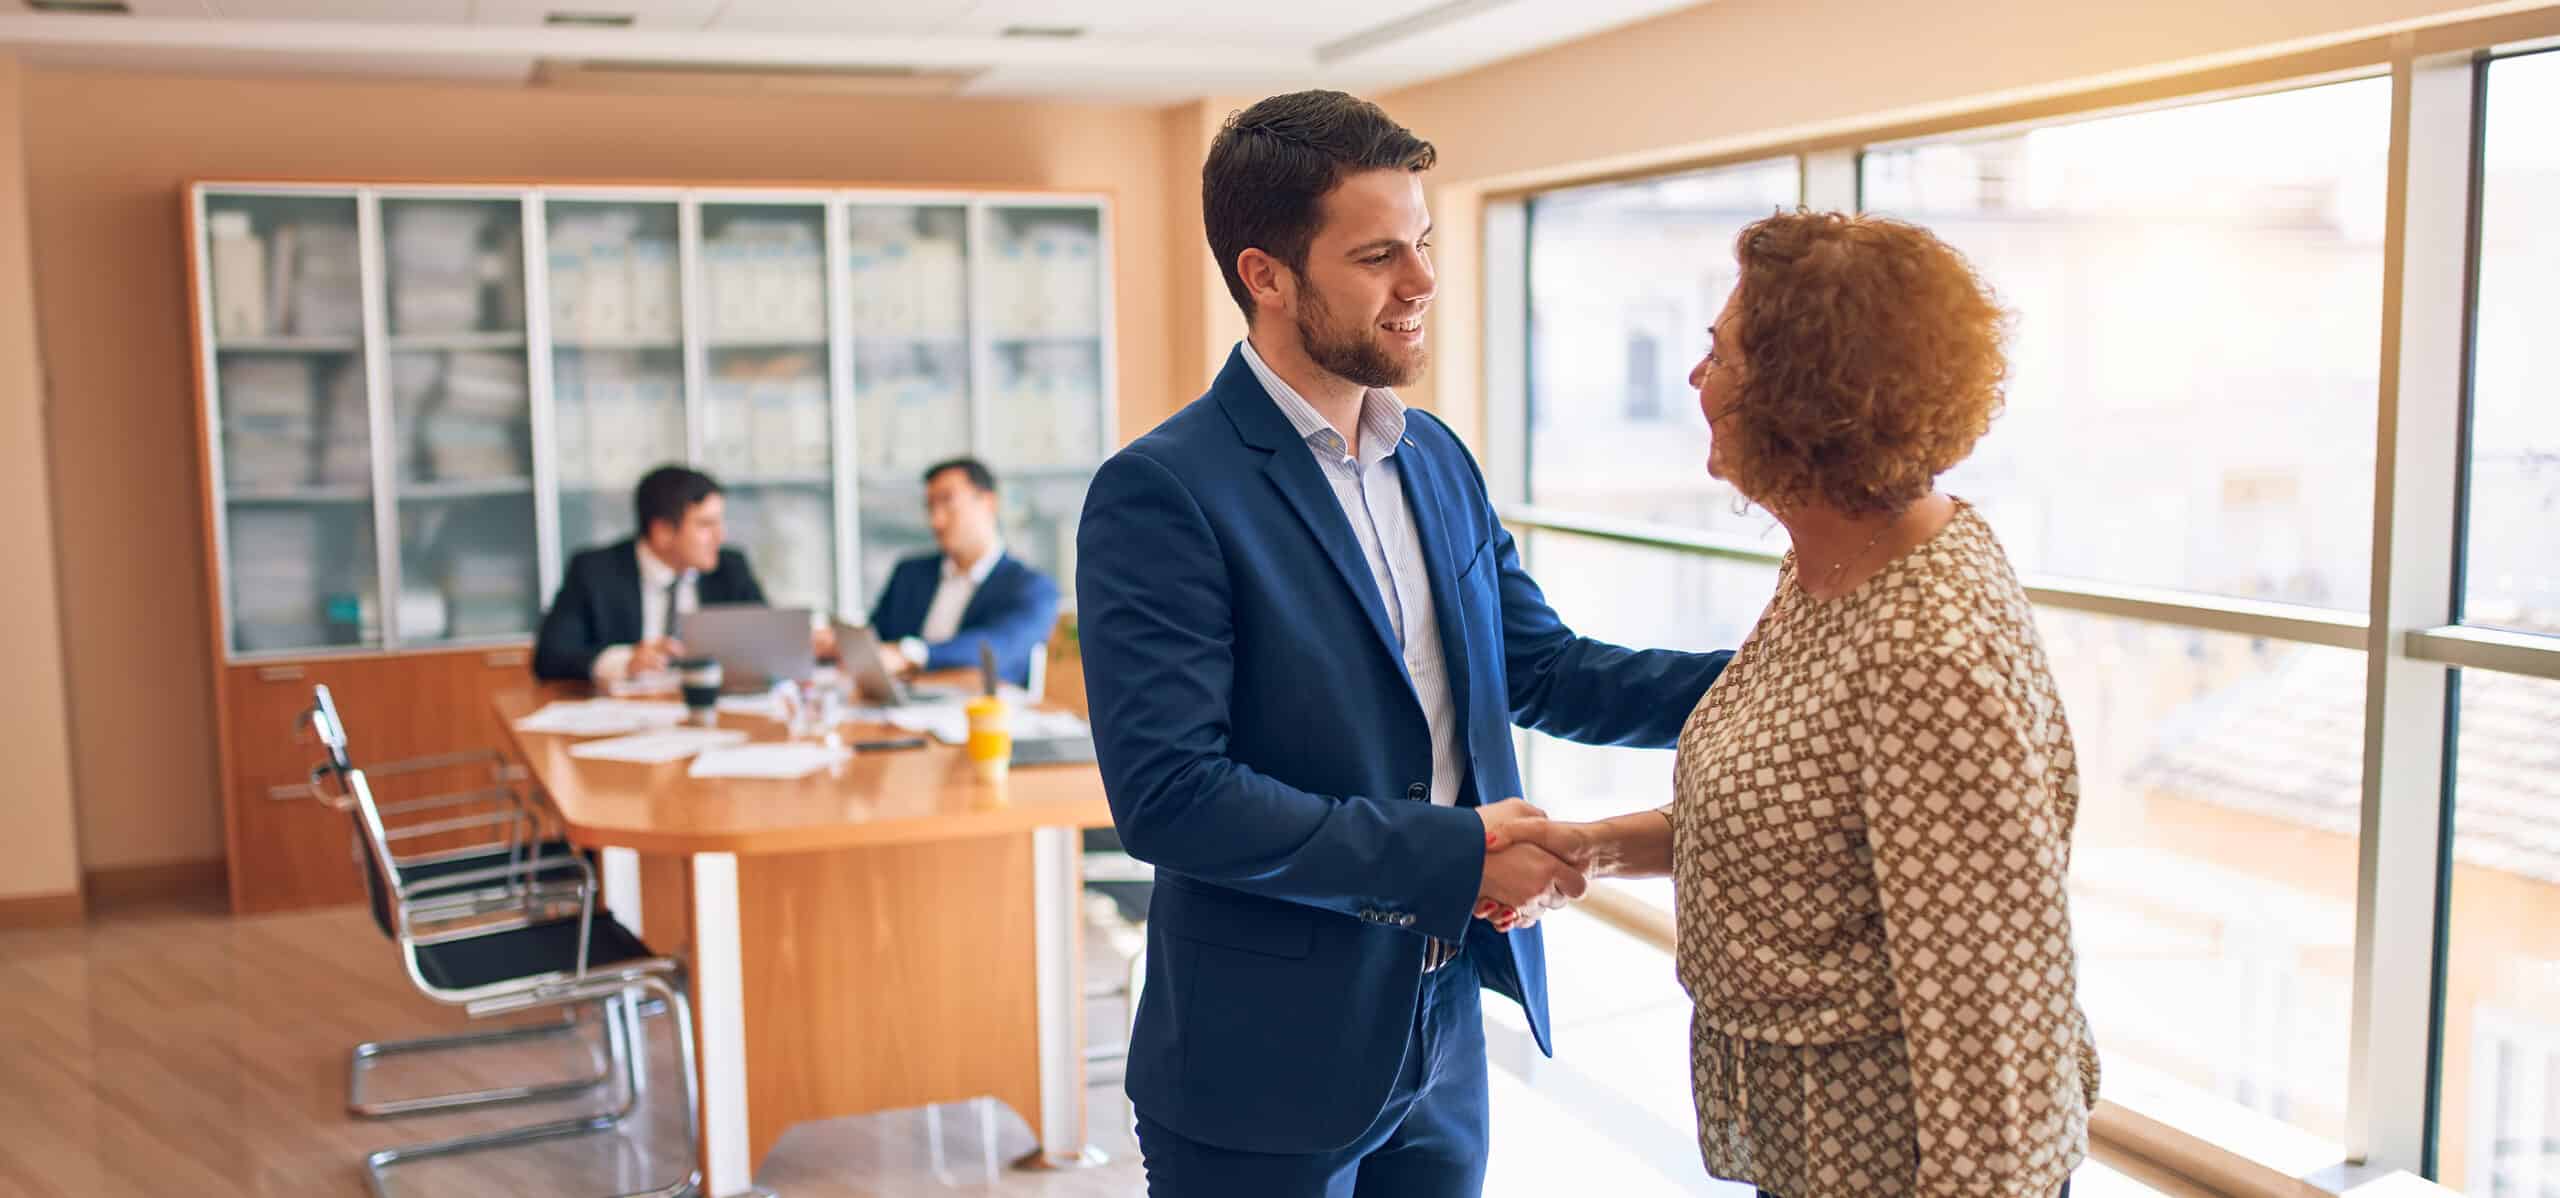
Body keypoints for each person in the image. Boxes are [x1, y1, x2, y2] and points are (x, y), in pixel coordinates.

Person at [1075, 89, 1732, 1197]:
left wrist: (1783, 676)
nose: (1422, 281)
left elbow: (1542, 670)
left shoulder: (1434, 456)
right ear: (1266, 274)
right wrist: (1456, 853)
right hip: (1262, 1058)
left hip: (1445, 1027)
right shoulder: (1163, 490)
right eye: (1379, 255)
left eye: (1422, 242)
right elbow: (1175, 799)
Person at [1488, 211, 2099, 1198]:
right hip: (1808, 1155)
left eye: (1720, 352)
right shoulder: (1834, 566)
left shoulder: (1926, 649)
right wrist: (1590, 848)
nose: (1696, 378)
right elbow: (1804, 828)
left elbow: (1997, 1036)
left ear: (1803, 398)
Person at [533, 464, 828, 682]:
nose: (720, 537)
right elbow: (550, 657)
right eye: (705, 525)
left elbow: (765, 640)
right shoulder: (595, 571)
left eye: (720, 522)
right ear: (662, 532)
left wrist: (804, 643)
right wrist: (625, 661)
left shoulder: (730, 568)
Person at [864, 457, 1061, 689]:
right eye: (930, 507)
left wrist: (910, 654)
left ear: (988, 503)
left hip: (980, 708)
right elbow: (874, 641)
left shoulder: (1032, 588)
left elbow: (996, 648)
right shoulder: (909, 574)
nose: (936, 521)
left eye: (947, 502)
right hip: (894, 706)